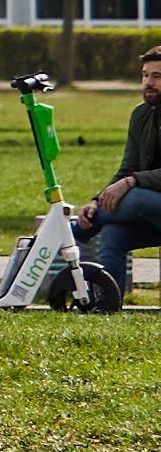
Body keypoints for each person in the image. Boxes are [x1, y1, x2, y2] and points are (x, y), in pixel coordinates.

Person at [77, 48, 161, 314]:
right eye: (145, 75)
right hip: (152, 210)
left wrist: (131, 182)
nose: (149, 82)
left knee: (133, 196)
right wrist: (96, 199)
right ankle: (104, 309)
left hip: (145, 201)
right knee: (114, 233)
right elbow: (126, 169)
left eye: (158, 76)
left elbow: (130, 179)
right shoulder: (141, 115)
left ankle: (75, 231)